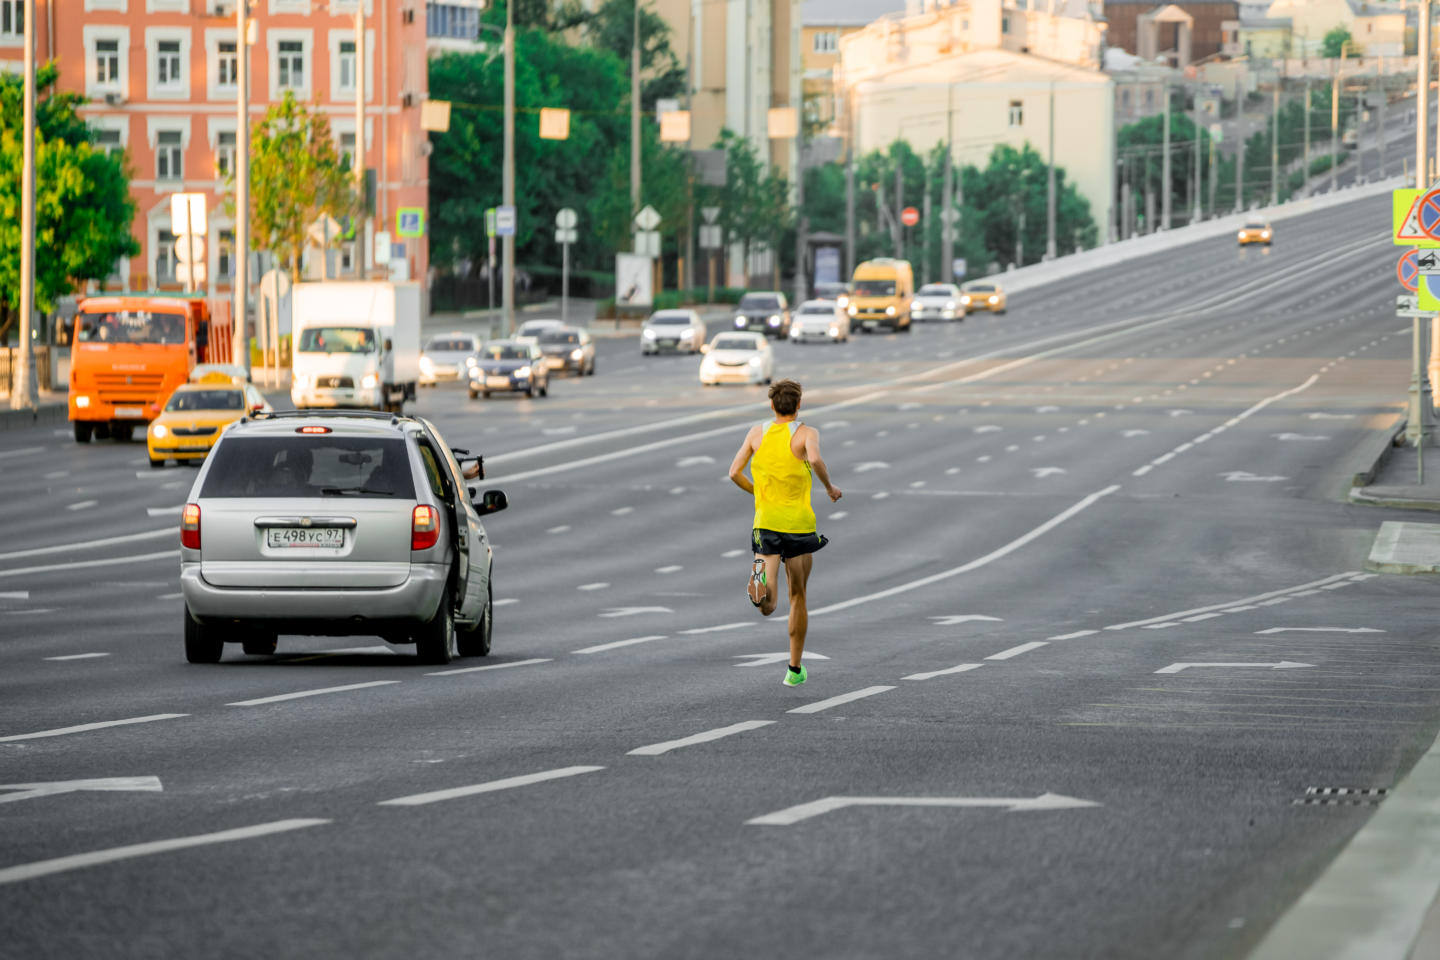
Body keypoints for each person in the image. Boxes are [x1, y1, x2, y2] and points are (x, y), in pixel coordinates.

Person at [727, 379, 841, 687]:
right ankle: (794, 668)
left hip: (766, 522)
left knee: (768, 606)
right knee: (798, 596)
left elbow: (734, 472)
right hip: (799, 526)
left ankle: (759, 580)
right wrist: (829, 487)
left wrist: (758, 493)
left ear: (772, 405)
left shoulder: (756, 433)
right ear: (799, 405)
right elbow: (814, 459)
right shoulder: (806, 433)